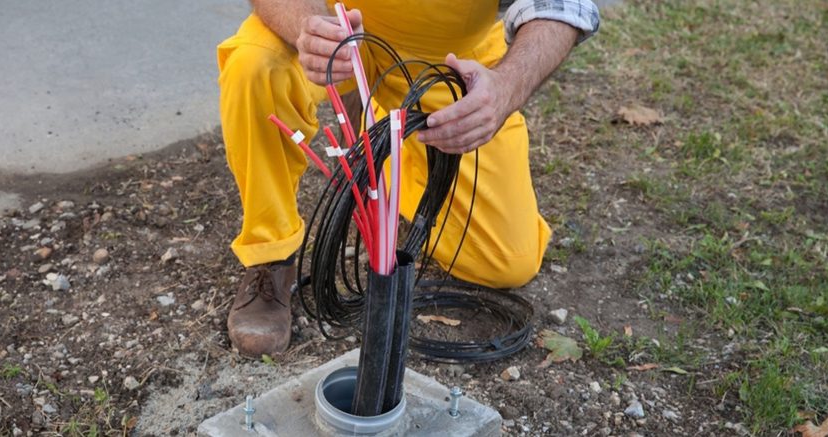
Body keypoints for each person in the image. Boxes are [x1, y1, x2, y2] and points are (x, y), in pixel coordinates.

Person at [216, 0, 600, 358]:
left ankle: (386, 142)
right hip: (336, 30)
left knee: (505, 262)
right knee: (256, 64)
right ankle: (270, 255)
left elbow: (561, 7)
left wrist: (503, 90)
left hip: (446, 61)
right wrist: (305, 26)